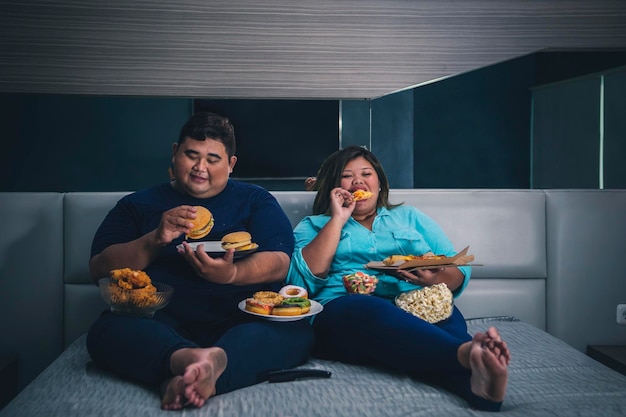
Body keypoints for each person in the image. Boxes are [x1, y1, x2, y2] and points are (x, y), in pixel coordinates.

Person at [86, 112, 314, 410]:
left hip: (242, 320)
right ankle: (196, 362)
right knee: (105, 332)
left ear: (231, 164)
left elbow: (279, 261)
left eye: (213, 159)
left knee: (296, 332)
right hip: (162, 320)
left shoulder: (255, 200)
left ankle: (180, 374)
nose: (200, 168)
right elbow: (99, 268)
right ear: (174, 152)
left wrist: (231, 274)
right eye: (191, 155)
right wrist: (154, 238)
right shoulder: (137, 205)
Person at [285, 145, 510, 411]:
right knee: (367, 309)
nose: (358, 181)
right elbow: (301, 281)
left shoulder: (409, 218)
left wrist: (434, 277)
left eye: (366, 173)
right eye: (347, 176)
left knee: (443, 310)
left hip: (412, 303)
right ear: (335, 187)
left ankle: (480, 389)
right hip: (344, 312)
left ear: (380, 184)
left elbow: (457, 271)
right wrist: (338, 219)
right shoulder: (313, 225)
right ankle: (462, 353)